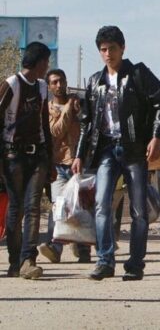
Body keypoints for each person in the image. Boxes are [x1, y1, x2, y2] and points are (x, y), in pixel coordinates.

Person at [72, 26, 160, 281]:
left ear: (123, 48)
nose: (108, 54)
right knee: (101, 203)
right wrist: (78, 153)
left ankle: (135, 263)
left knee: (139, 210)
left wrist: (156, 137)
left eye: (112, 49)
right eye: (103, 50)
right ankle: (105, 260)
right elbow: (86, 121)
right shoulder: (95, 81)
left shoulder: (138, 74)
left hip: (135, 150)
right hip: (107, 149)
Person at [0, 42, 52, 279]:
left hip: (37, 155)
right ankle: (14, 261)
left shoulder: (42, 87)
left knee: (33, 207)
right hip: (13, 157)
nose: (47, 67)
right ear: (41, 62)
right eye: (46, 62)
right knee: (16, 208)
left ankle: (27, 260)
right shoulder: (11, 85)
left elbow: (44, 125)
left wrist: (49, 160)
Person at [38, 69, 92, 264]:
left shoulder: (80, 105)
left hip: (78, 163)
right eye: (54, 82)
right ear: (50, 86)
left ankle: (84, 248)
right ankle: (56, 246)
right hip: (58, 166)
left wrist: (75, 107)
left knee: (82, 207)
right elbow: (56, 132)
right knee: (59, 207)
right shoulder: (49, 109)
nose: (59, 85)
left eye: (61, 81)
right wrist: (69, 107)